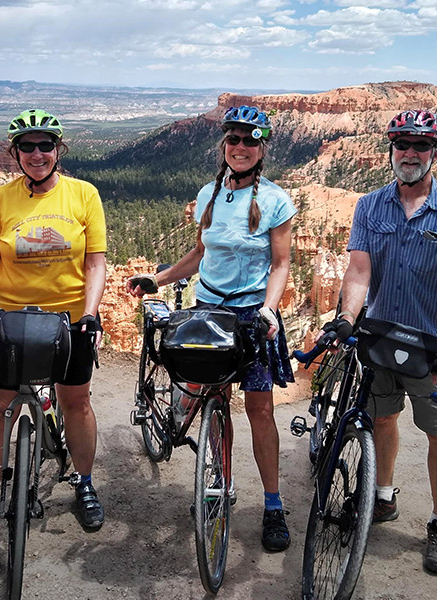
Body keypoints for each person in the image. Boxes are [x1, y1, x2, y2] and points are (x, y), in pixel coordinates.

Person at [127, 105, 296, 552]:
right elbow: (199, 255)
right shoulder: (210, 194)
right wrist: (158, 279)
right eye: (234, 139)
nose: (241, 147)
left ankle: (274, 505)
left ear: (262, 148)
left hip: (252, 316)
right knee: (213, 398)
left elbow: (281, 264)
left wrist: (270, 309)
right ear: (224, 145)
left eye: (250, 140)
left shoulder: (276, 200)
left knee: (260, 410)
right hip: (210, 309)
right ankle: (220, 481)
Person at [323, 109, 437, 574]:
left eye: (420, 146)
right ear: (391, 150)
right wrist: (348, 319)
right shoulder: (370, 206)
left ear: (435, 153)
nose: (409, 153)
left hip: (431, 346)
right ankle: (384, 496)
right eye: (402, 145)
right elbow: (358, 270)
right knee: (383, 420)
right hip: (378, 339)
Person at [0, 109, 107, 569]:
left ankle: (83, 482)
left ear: (59, 149)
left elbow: (96, 262)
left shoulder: (83, 194)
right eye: (27, 146)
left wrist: (92, 314)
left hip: (71, 319)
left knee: (76, 402)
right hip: (11, 320)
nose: (37, 154)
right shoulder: (1, 200)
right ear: (15, 152)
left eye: (45, 145)